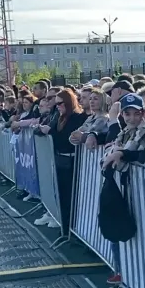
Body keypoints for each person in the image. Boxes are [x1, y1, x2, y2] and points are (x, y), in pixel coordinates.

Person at [38, 88, 86, 231]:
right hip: (60, 159)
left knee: (68, 196)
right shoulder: (59, 117)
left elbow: (67, 139)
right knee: (61, 194)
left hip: (70, 161)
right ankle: (63, 223)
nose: (57, 106)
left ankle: (69, 226)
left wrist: (50, 132)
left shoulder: (77, 117)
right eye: (56, 104)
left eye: (60, 103)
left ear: (68, 102)